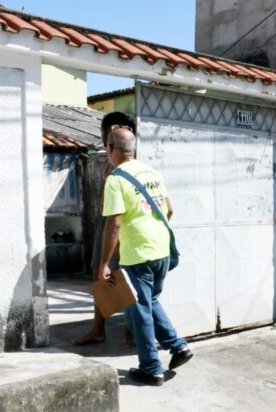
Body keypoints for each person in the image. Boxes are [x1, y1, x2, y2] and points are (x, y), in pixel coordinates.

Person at [99, 127, 194, 386]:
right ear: (133, 149)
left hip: (138, 254)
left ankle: (151, 368)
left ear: (110, 149)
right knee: (150, 301)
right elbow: (170, 210)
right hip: (161, 249)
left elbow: (114, 224)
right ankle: (178, 347)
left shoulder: (116, 179)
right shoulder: (152, 172)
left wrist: (104, 263)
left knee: (139, 310)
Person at [73, 112, 135, 347]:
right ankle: (98, 329)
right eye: (107, 130)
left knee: (125, 278)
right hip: (106, 222)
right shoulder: (110, 160)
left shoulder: (129, 159)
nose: (109, 135)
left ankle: (130, 330)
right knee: (100, 278)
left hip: (121, 225)